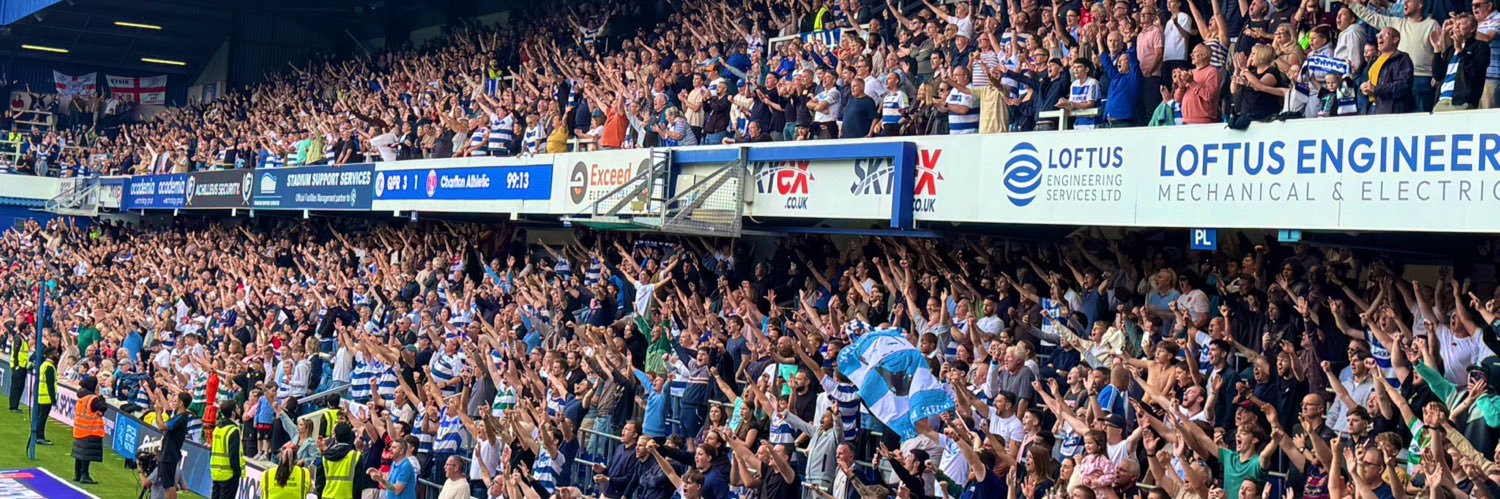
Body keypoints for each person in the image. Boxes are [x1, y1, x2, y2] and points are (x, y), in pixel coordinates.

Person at [1362, 28, 1418, 113]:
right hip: (1374, 107)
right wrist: (1364, 87)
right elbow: (1368, 81)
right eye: (1378, 35)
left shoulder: (1402, 58)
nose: (1380, 37)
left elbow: (1403, 85)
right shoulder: (1375, 60)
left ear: (1395, 39)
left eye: (1385, 34)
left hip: (1393, 109)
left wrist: (1376, 89)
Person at [71, 375, 106, 484]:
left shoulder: (81, 396)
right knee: (86, 455)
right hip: (90, 430)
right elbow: (103, 407)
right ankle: (84, 475)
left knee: (79, 455)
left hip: (79, 429)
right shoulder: (92, 398)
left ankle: (77, 474)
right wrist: (101, 397)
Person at [209, 399, 242, 499]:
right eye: (237, 408)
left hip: (216, 472)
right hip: (228, 473)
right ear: (233, 413)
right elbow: (233, 455)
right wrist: (237, 473)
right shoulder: (233, 430)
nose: (239, 409)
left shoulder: (217, 428)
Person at [368, 435, 417, 499]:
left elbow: (397, 490)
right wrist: (377, 473)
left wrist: (380, 479)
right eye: (391, 447)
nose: (390, 449)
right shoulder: (394, 463)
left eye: (394, 447)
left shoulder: (406, 466)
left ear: (401, 451)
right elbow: (388, 482)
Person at [34, 347, 56, 445]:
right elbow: (50, 384)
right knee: (42, 418)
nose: (57, 355)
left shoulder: (44, 365)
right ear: (50, 355)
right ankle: (39, 436)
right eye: (55, 353)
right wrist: (53, 399)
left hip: (41, 395)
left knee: (40, 417)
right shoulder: (49, 367)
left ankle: (39, 436)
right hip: (46, 397)